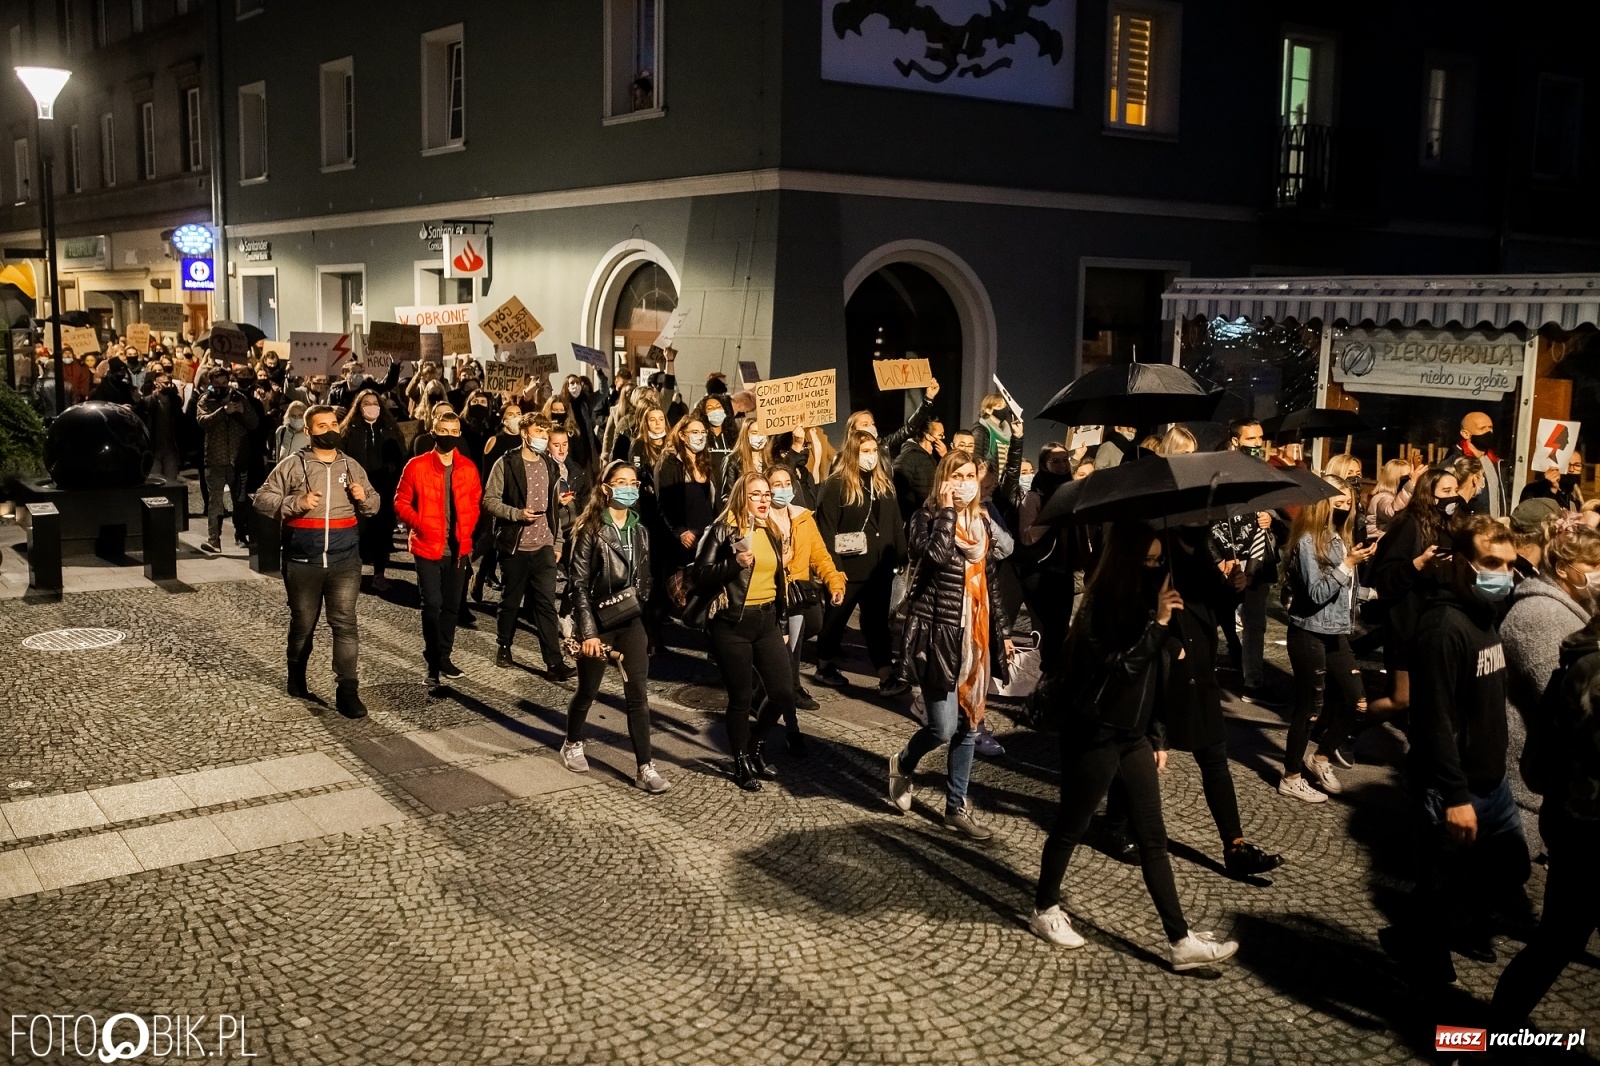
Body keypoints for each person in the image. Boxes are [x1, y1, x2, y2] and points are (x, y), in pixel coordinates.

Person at [1029, 522, 1240, 970]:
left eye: (1159, 560)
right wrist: (1159, 626)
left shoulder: (1152, 600)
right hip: (1095, 732)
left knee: (1153, 838)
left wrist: (1157, 733)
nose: (1155, 567)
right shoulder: (1100, 606)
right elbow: (1121, 670)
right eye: (1147, 560)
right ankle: (1044, 907)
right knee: (1072, 825)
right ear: (1126, 559)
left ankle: (1180, 941)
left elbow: (1154, 681)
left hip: (1134, 736)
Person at [1384, 515, 1527, 986]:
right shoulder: (1444, 627)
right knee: (1440, 882)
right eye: (1491, 562)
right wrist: (1456, 796)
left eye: (1509, 564)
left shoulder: (1485, 615)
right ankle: (1425, 965)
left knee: (1507, 868)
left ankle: (1440, 932)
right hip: (1456, 785)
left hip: (1491, 779)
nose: (1502, 573)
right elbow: (1433, 721)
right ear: (1464, 564)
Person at [888, 451, 1013, 839]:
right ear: (943, 479)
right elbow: (937, 556)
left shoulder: (983, 525)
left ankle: (955, 808)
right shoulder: (924, 520)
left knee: (969, 727)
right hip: (936, 635)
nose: (963, 482)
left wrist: (1003, 632)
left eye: (970, 475)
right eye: (955, 475)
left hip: (973, 640)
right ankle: (903, 763)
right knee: (942, 728)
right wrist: (945, 510)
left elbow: (990, 583)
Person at [1492, 611, 1600, 1026]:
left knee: (1557, 940)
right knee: (1557, 941)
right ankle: (1493, 1040)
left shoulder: (1586, 655)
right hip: (1589, 828)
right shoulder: (1595, 669)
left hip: (1578, 822)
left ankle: (1493, 1038)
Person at [252, 405, 379, 718]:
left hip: (344, 559)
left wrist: (364, 498)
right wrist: (296, 502)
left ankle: (347, 691)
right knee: (303, 625)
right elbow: (261, 499)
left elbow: (374, 506)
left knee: (345, 623)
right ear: (309, 432)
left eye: (333, 423)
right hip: (302, 560)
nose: (329, 429)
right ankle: (296, 674)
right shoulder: (292, 465)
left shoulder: (351, 466)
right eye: (321, 426)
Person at [562, 460, 671, 794]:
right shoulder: (590, 529)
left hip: (630, 620)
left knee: (637, 694)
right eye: (621, 482)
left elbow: (645, 577)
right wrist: (589, 632)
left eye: (634, 483)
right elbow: (578, 585)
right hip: (596, 620)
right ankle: (573, 742)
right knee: (588, 690)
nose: (628, 488)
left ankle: (644, 767)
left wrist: (644, 610)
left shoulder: (640, 530)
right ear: (606, 488)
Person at [688, 472, 798, 792]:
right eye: (756, 495)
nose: (764, 500)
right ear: (742, 498)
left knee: (782, 692)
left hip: (766, 622)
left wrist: (783, 619)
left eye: (767, 495)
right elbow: (699, 574)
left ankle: (755, 745)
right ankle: (739, 762)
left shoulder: (772, 530)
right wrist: (734, 563)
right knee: (740, 698)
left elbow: (780, 582)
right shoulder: (722, 530)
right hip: (732, 624)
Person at [1278, 477, 1378, 803]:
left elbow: (1344, 593)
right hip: (1308, 631)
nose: (1345, 507)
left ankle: (1319, 758)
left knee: (1357, 701)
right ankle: (1290, 776)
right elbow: (1318, 593)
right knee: (1310, 708)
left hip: (1335, 632)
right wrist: (1348, 564)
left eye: (1348, 502)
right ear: (1323, 503)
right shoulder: (1308, 541)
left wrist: (1373, 590)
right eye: (1338, 502)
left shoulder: (1340, 539)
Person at [1500, 525, 1600, 837]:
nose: (1599, 574)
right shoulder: (1543, 614)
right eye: (1593, 566)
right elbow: (1556, 700)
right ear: (1562, 569)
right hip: (1530, 787)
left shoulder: (1576, 607)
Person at [813, 431, 909, 695]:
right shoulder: (835, 485)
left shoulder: (884, 484)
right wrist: (834, 569)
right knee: (836, 620)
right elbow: (827, 530)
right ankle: (824, 665)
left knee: (877, 623)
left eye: (873, 451)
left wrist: (902, 555)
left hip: (879, 569)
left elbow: (894, 523)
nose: (870, 457)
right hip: (847, 569)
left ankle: (885, 676)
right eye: (864, 451)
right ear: (852, 454)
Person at [394, 412, 483, 690]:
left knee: (451, 607)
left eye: (453, 430)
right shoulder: (416, 466)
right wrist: (419, 523)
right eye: (443, 430)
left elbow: (475, 502)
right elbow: (401, 501)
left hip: (457, 549)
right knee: (431, 605)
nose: (448, 435)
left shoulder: (468, 468)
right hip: (426, 546)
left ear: (459, 434)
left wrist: (467, 528)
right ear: (433, 432)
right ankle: (432, 662)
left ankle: (444, 655)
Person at [481, 414, 573, 680]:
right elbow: (490, 500)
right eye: (538, 433)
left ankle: (554, 662)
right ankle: (503, 646)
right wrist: (516, 514)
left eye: (546, 435)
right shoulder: (507, 463)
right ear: (524, 433)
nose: (543, 439)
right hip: (515, 545)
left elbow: (553, 508)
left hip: (543, 544)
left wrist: (557, 541)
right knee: (511, 600)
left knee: (545, 603)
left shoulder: (549, 464)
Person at [1368, 467, 1462, 717]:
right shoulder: (1409, 526)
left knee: (1428, 698)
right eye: (1446, 491)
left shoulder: (1452, 526)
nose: (1453, 496)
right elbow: (1386, 579)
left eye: (1456, 490)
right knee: (1402, 699)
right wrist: (1417, 564)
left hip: (1436, 623)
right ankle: (1343, 728)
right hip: (1406, 624)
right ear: (1429, 496)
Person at [765, 464, 846, 732]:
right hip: (768, 595)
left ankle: (789, 690)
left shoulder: (802, 517)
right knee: (779, 652)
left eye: (786, 483)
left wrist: (834, 582)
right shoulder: (759, 519)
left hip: (796, 594)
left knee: (795, 646)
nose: (783, 489)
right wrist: (779, 561)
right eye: (776, 484)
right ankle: (787, 717)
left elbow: (820, 554)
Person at [1015, 443, 1082, 660]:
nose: (1062, 466)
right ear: (1043, 465)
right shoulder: (1034, 496)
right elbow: (1026, 536)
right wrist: (1052, 514)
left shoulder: (1073, 490)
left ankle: (1055, 680)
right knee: (1051, 631)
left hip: (1065, 570)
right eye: (1055, 461)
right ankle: (1048, 681)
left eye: (1065, 460)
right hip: (1041, 571)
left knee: (1062, 631)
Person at [340, 389, 405, 592]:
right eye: (366, 403)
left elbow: (401, 454)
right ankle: (352, 573)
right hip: (355, 489)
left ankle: (379, 574)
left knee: (382, 533)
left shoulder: (390, 429)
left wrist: (392, 467)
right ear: (358, 407)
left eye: (374, 403)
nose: (371, 407)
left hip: (383, 488)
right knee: (358, 532)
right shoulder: (349, 431)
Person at [195, 367, 259, 555]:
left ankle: (241, 535)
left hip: (237, 460)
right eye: (217, 384)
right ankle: (213, 539)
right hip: (215, 459)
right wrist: (224, 411)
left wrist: (241, 411)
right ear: (211, 384)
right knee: (215, 501)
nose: (222, 387)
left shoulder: (239, 397)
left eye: (225, 383)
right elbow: (203, 421)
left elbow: (254, 423)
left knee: (239, 501)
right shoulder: (205, 400)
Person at [1442, 411, 1507, 517]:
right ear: (1465, 433)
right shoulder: (1456, 463)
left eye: (1490, 427)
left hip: (1492, 528)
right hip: (1469, 527)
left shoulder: (1494, 461)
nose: (1488, 432)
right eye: (1482, 428)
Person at [894, 415, 945, 521]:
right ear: (929, 436)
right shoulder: (909, 456)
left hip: (934, 515)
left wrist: (945, 457)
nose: (943, 438)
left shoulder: (938, 455)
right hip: (915, 518)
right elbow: (899, 490)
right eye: (941, 435)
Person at [137, 370, 184, 483]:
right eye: (164, 383)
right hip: (154, 449)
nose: (167, 386)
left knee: (171, 481)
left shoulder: (174, 401)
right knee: (155, 481)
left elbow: (181, 421)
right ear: (156, 383)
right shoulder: (148, 402)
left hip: (171, 449)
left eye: (169, 383)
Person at [971, 394, 1019, 471]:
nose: (1004, 409)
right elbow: (976, 455)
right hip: (989, 478)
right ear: (988, 410)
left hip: (1003, 478)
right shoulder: (981, 429)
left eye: (1005, 406)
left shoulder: (1007, 429)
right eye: (999, 406)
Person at [1367, 458, 1413, 534]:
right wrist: (1410, 485)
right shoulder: (1382, 497)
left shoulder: (1402, 497)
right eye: (1408, 477)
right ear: (1394, 478)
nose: (1410, 480)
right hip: (1379, 543)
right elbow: (1392, 512)